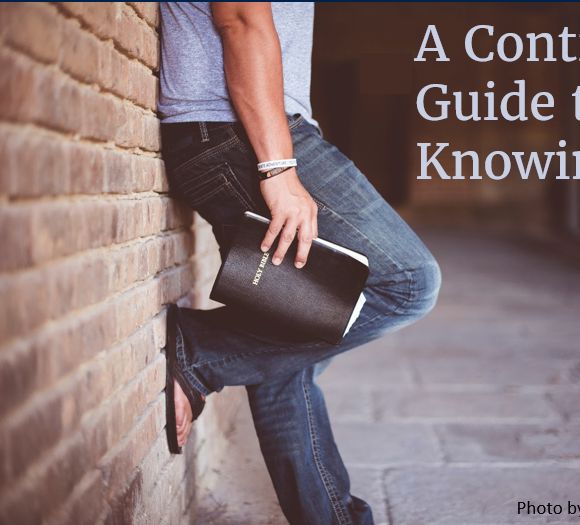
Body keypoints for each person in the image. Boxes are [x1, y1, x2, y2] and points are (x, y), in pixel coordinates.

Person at [157, 3, 441, 524]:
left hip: (232, 132)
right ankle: (201, 350)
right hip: (239, 135)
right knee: (407, 283)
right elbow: (241, 18)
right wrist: (279, 168)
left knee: (286, 346)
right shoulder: (263, 151)